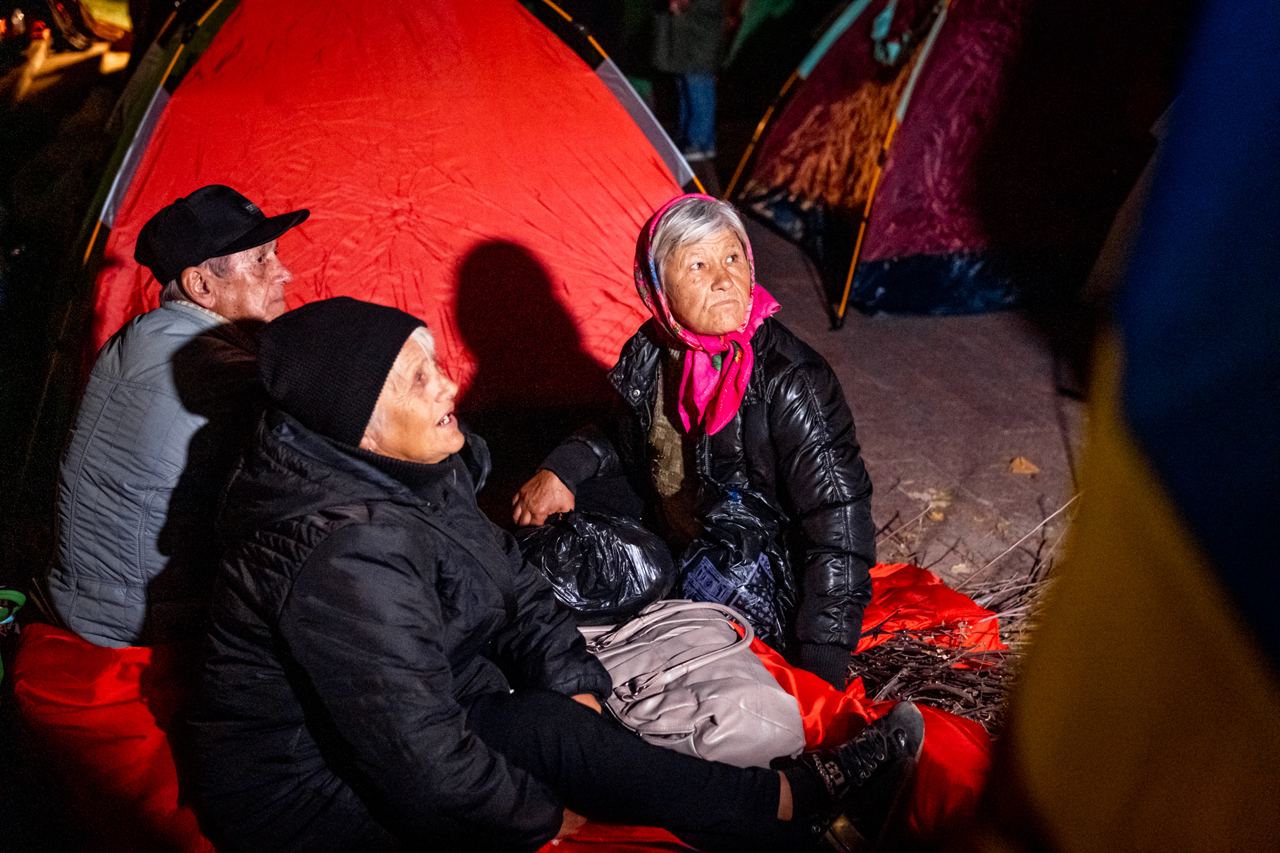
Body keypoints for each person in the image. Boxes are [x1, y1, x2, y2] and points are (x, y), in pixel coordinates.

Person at [188, 296, 923, 853]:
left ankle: (790, 805)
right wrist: (540, 817)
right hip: (303, 788)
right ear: (362, 427)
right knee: (547, 764)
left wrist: (574, 680)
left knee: (564, 723)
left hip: (426, 697)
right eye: (419, 381)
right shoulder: (338, 552)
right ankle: (797, 811)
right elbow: (417, 755)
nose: (448, 389)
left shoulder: (416, 468)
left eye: (435, 364)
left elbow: (509, 579)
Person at [513, 193, 875, 689]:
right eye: (698, 266)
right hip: (674, 531)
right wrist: (561, 469)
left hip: (754, 561)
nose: (725, 280)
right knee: (556, 537)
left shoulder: (791, 381)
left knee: (659, 604)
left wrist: (822, 656)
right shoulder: (651, 349)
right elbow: (622, 435)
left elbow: (840, 519)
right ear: (659, 290)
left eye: (732, 258)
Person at [46, 184, 307, 648]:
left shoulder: (137, 336)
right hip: (149, 625)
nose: (284, 274)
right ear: (200, 286)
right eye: (263, 260)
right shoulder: (222, 372)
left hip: (86, 603)